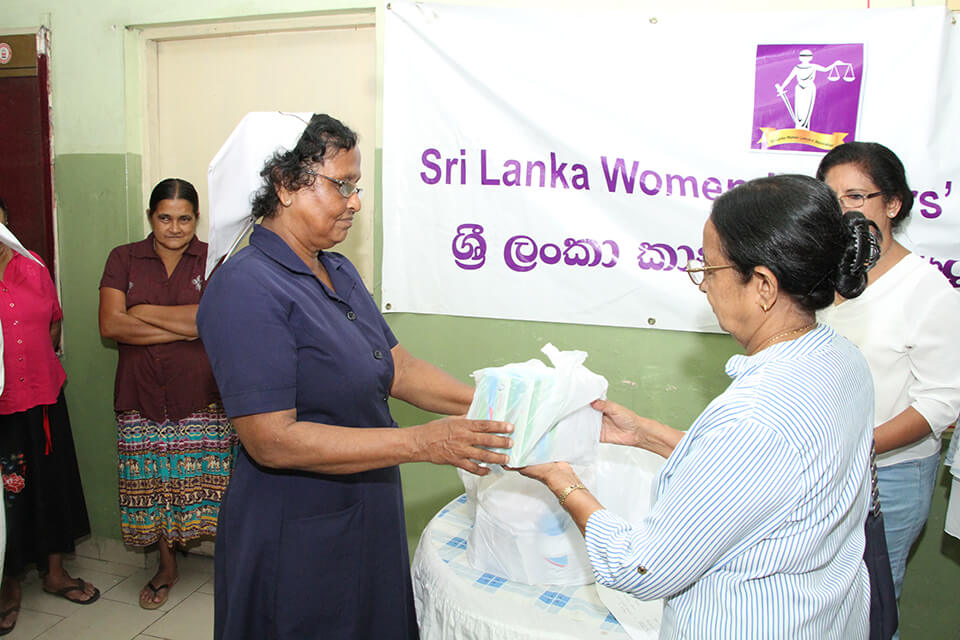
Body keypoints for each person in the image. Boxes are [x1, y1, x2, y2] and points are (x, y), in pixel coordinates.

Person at [516, 175, 878, 639]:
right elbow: (770, 478)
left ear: (763, 285)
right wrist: (645, 434)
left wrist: (562, 480)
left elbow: (642, 568)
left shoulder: (755, 415)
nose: (703, 286)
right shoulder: (842, 360)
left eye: (710, 269)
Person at [196, 113, 513, 640]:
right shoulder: (245, 288)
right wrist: (420, 443)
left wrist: (499, 401)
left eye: (356, 185)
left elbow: (400, 369)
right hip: (296, 527)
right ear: (285, 184)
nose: (355, 202)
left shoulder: (336, 271)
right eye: (341, 185)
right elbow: (272, 439)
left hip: (365, 505)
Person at [816, 142, 960, 635]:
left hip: (889, 477)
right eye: (831, 199)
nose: (842, 211)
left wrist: (858, 445)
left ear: (892, 203)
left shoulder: (927, 291)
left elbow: (942, 402)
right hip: (819, 469)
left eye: (856, 196)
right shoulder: (819, 279)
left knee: (872, 608)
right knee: (820, 604)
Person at [98, 179, 237, 610]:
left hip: (201, 395)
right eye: (165, 217)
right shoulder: (123, 258)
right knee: (153, 484)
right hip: (141, 395)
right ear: (150, 217)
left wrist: (142, 312)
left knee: (216, 485)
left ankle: (232, 568)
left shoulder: (216, 259)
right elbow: (111, 326)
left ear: (196, 219)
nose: (174, 228)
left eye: (184, 218)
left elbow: (210, 323)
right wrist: (184, 323)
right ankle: (165, 566)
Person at [0, 198, 98, 636]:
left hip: (43, 396)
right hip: (2, 406)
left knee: (52, 482)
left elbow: (54, 323)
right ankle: (8, 586)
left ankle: (55, 573)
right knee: (8, 497)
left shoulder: (32, 264)